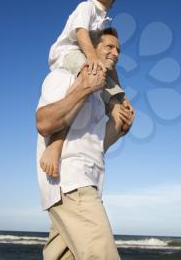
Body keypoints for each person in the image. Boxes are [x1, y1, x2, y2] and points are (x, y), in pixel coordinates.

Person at [36, 28, 135, 260]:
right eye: (109, 47)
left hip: (88, 183)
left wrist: (121, 125)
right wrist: (84, 88)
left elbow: (98, 144)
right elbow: (44, 122)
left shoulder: (101, 100)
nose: (115, 53)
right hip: (71, 182)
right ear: (90, 48)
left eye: (119, 49)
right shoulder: (63, 77)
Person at [40, 0, 130, 178]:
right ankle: (55, 143)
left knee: (122, 112)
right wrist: (91, 57)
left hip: (88, 57)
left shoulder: (106, 22)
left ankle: (97, 151)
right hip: (68, 53)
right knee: (91, 77)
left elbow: (108, 64)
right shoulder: (87, 7)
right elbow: (80, 32)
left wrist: (121, 97)